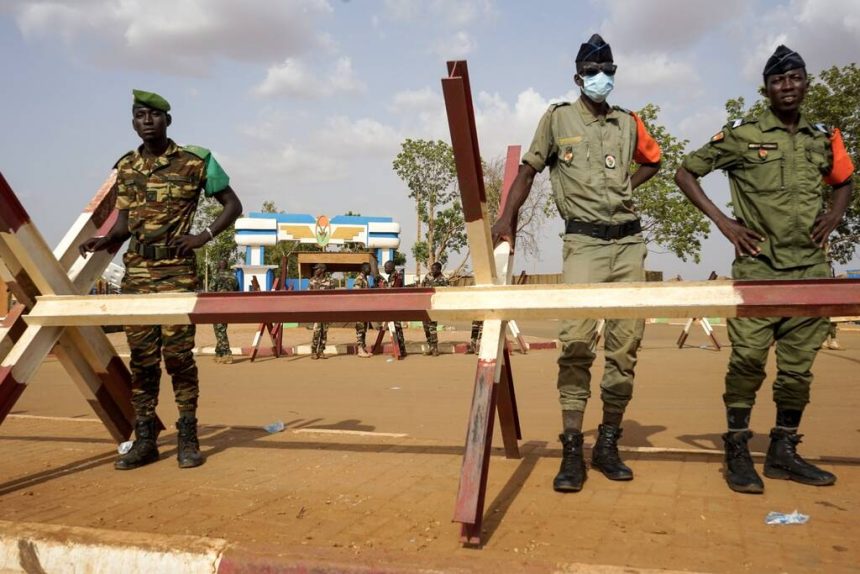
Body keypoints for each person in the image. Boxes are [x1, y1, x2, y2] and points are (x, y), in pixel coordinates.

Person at [674, 45, 854, 494]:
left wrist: (835, 215)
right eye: (778, 81)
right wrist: (725, 223)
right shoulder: (743, 134)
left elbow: (844, 181)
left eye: (794, 78)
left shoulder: (822, 136)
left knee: (797, 369)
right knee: (748, 360)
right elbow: (686, 172)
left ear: (806, 82)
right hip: (759, 268)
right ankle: (737, 447)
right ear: (766, 89)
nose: (787, 87)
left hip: (810, 271)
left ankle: (784, 450)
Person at [491, 34, 662, 493]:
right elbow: (528, 171)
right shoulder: (557, 119)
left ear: (614, 73)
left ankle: (607, 443)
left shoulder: (629, 123)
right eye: (591, 71)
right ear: (578, 76)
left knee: (625, 347)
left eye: (607, 70)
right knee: (576, 342)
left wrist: (628, 185)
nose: (600, 77)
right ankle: (572, 449)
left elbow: (655, 161)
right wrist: (506, 216)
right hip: (583, 243)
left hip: (629, 244)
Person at [79, 89, 242, 470]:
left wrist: (204, 236)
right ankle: (146, 439)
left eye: (154, 115)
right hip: (137, 273)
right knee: (143, 359)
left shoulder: (195, 162)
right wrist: (105, 241)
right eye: (139, 115)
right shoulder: (127, 167)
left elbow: (233, 205)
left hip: (176, 271)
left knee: (179, 357)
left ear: (168, 120)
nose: (146, 121)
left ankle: (188, 435)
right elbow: (123, 224)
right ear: (133, 122)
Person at [210, 259, 237, 364]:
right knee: (221, 328)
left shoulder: (215, 276)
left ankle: (227, 353)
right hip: (229, 306)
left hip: (218, 306)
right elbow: (236, 291)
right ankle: (218, 353)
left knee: (219, 329)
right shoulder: (233, 277)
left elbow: (211, 292)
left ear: (219, 266)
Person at [379, 260, 407, 358]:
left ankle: (401, 350)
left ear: (391, 267)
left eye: (386, 267)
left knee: (397, 328)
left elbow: (393, 289)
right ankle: (400, 350)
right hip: (393, 305)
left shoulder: (396, 276)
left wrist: (382, 285)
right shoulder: (392, 276)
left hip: (396, 306)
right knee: (396, 328)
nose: (385, 269)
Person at [421, 262, 449, 356]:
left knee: (432, 327)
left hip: (434, 306)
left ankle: (435, 348)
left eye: (434, 269)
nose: (432, 271)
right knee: (426, 327)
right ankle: (430, 347)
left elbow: (446, 293)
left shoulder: (444, 280)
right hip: (425, 304)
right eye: (432, 269)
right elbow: (422, 287)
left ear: (439, 269)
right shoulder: (428, 276)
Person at [309, 263, 335, 359]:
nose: (315, 270)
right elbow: (308, 297)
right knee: (316, 331)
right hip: (316, 310)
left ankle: (321, 351)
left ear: (323, 270)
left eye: (317, 269)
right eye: (315, 269)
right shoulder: (312, 281)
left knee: (324, 332)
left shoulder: (330, 281)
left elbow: (334, 297)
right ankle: (313, 351)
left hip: (326, 310)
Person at [353, 262, 373, 358]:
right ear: (364, 269)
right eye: (369, 268)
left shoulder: (365, 280)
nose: (370, 270)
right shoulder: (359, 279)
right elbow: (356, 294)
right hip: (359, 309)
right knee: (360, 329)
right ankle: (360, 350)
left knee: (364, 329)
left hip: (364, 309)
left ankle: (363, 348)